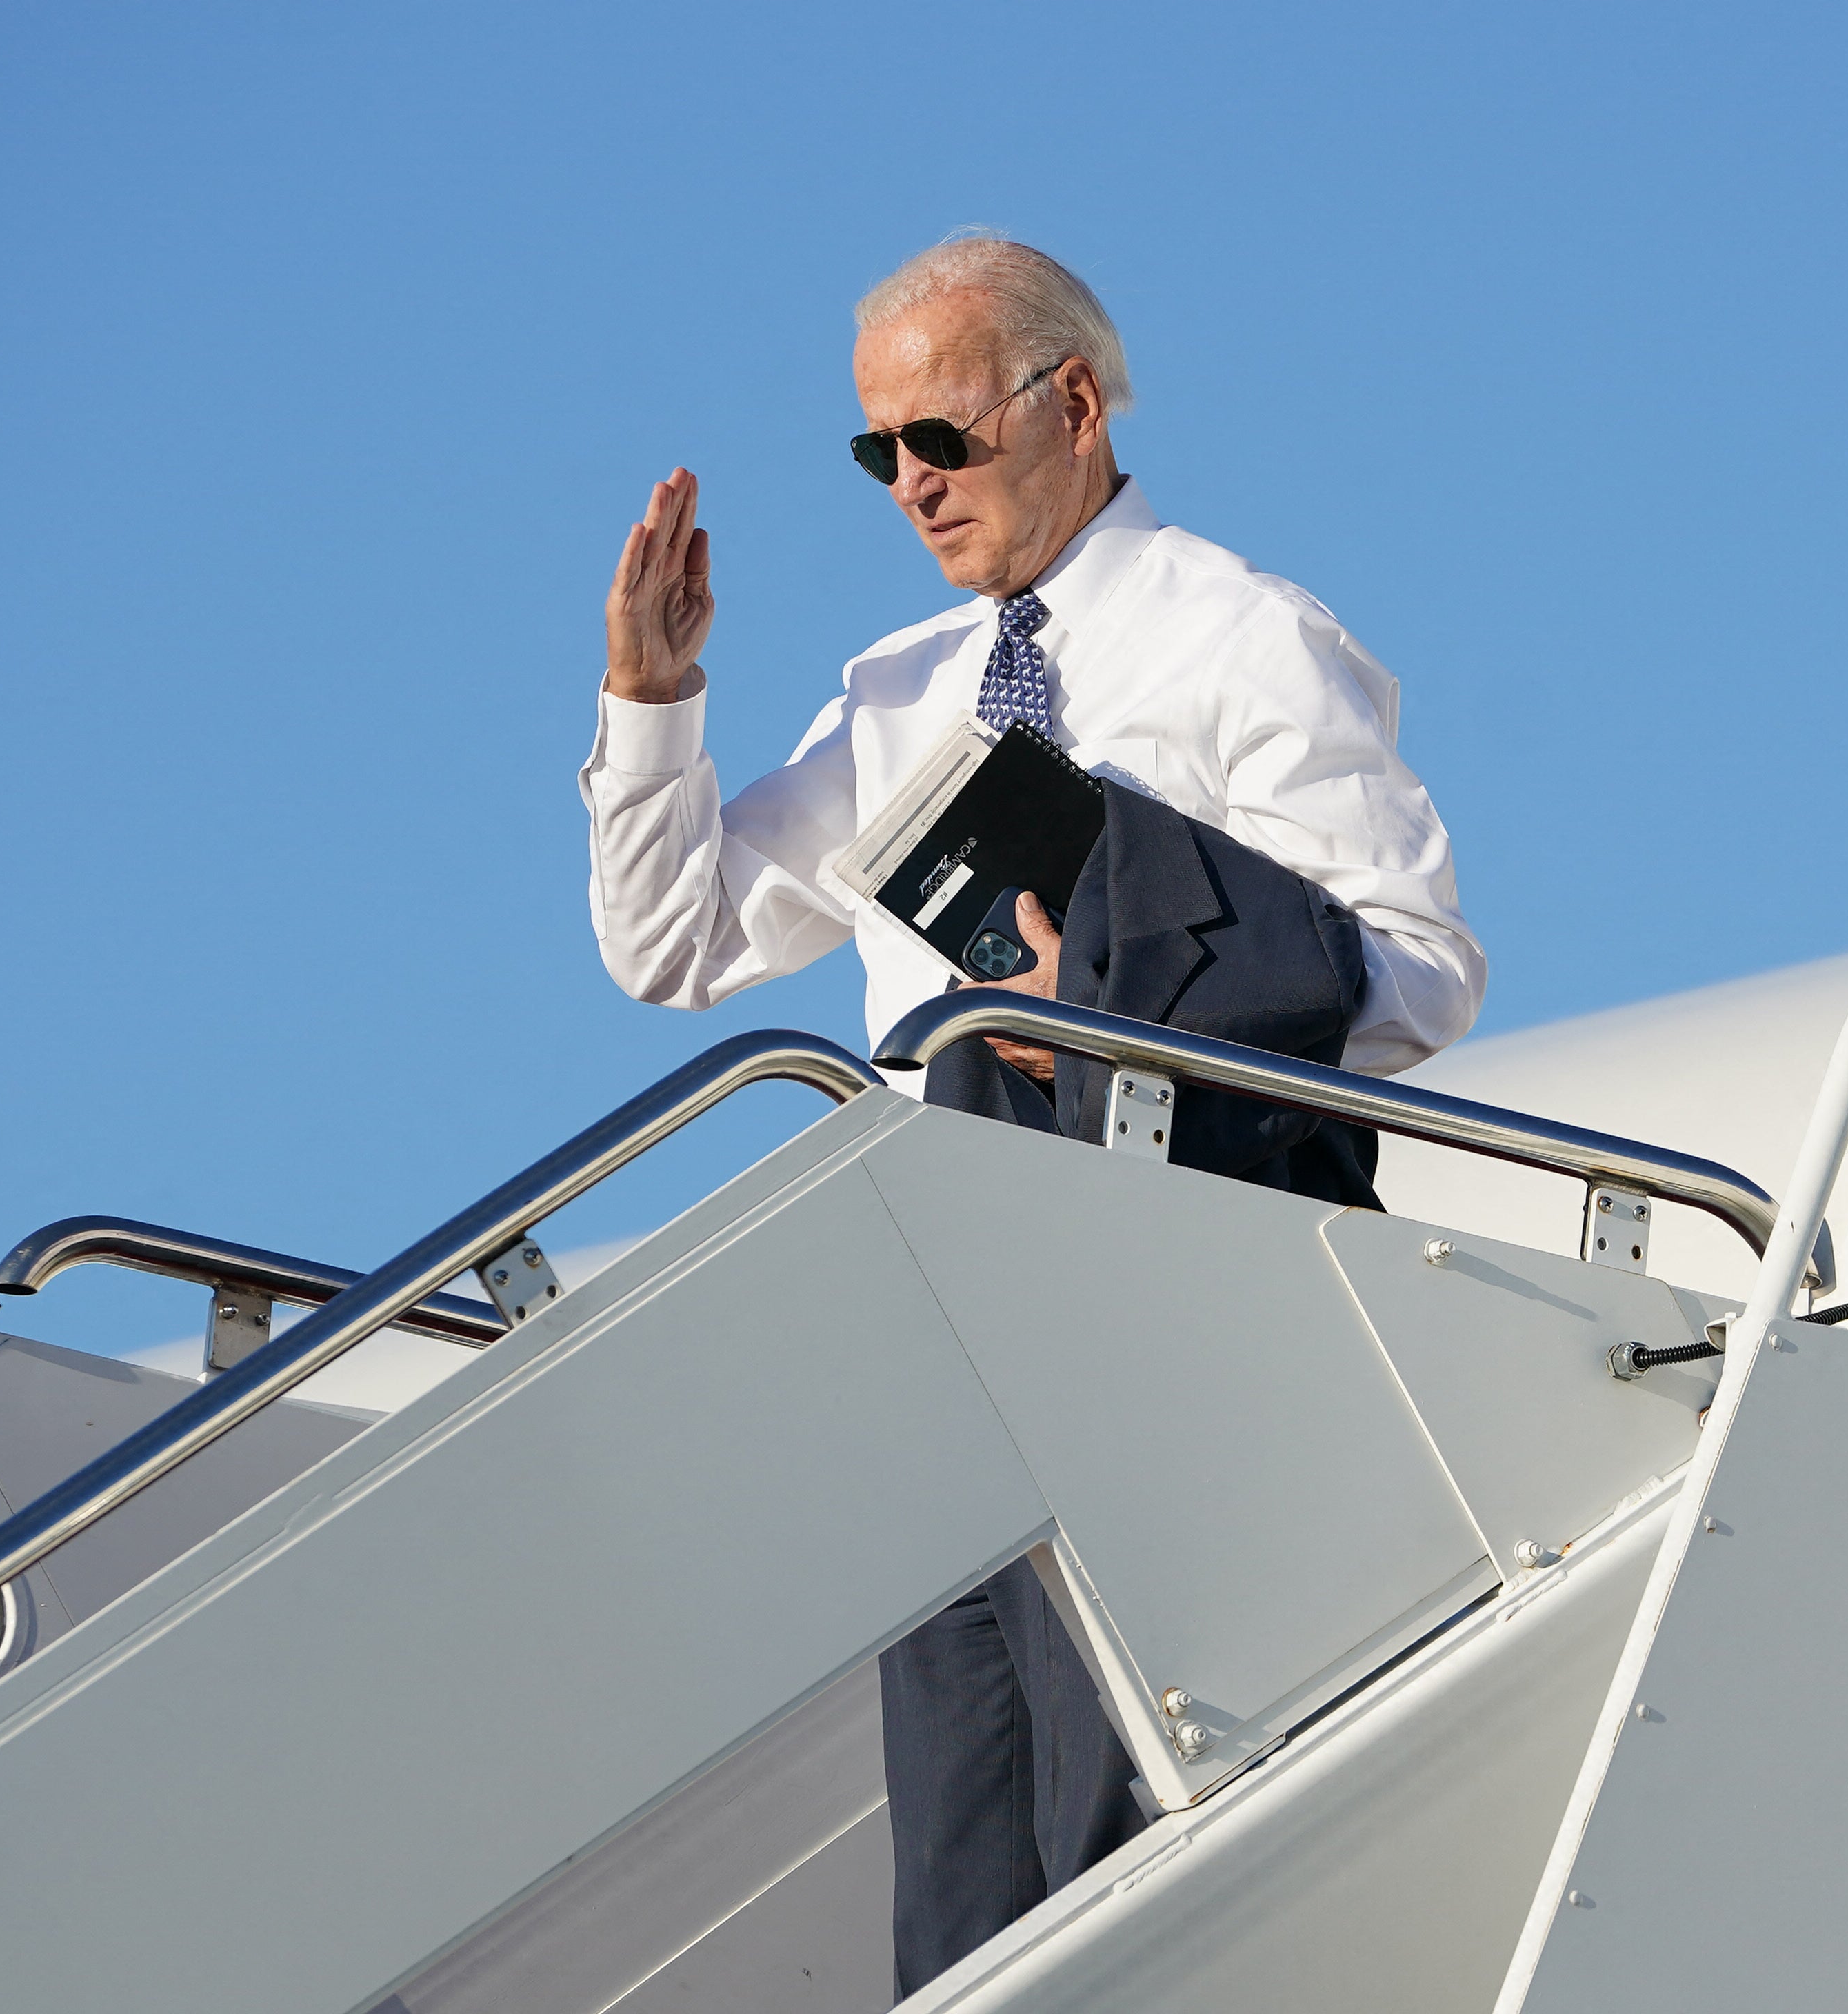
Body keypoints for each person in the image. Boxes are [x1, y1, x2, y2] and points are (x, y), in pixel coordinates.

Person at [579, 233, 1486, 1995]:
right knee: (967, 1844)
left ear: (1070, 402)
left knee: (1121, 1788)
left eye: (943, 438)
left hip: (1158, 1242)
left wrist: (1144, 1009)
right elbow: (671, 941)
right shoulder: (898, 689)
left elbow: (1420, 966)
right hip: (939, 1273)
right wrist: (654, 698)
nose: (911, 483)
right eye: (879, 453)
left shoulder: (1241, 633)